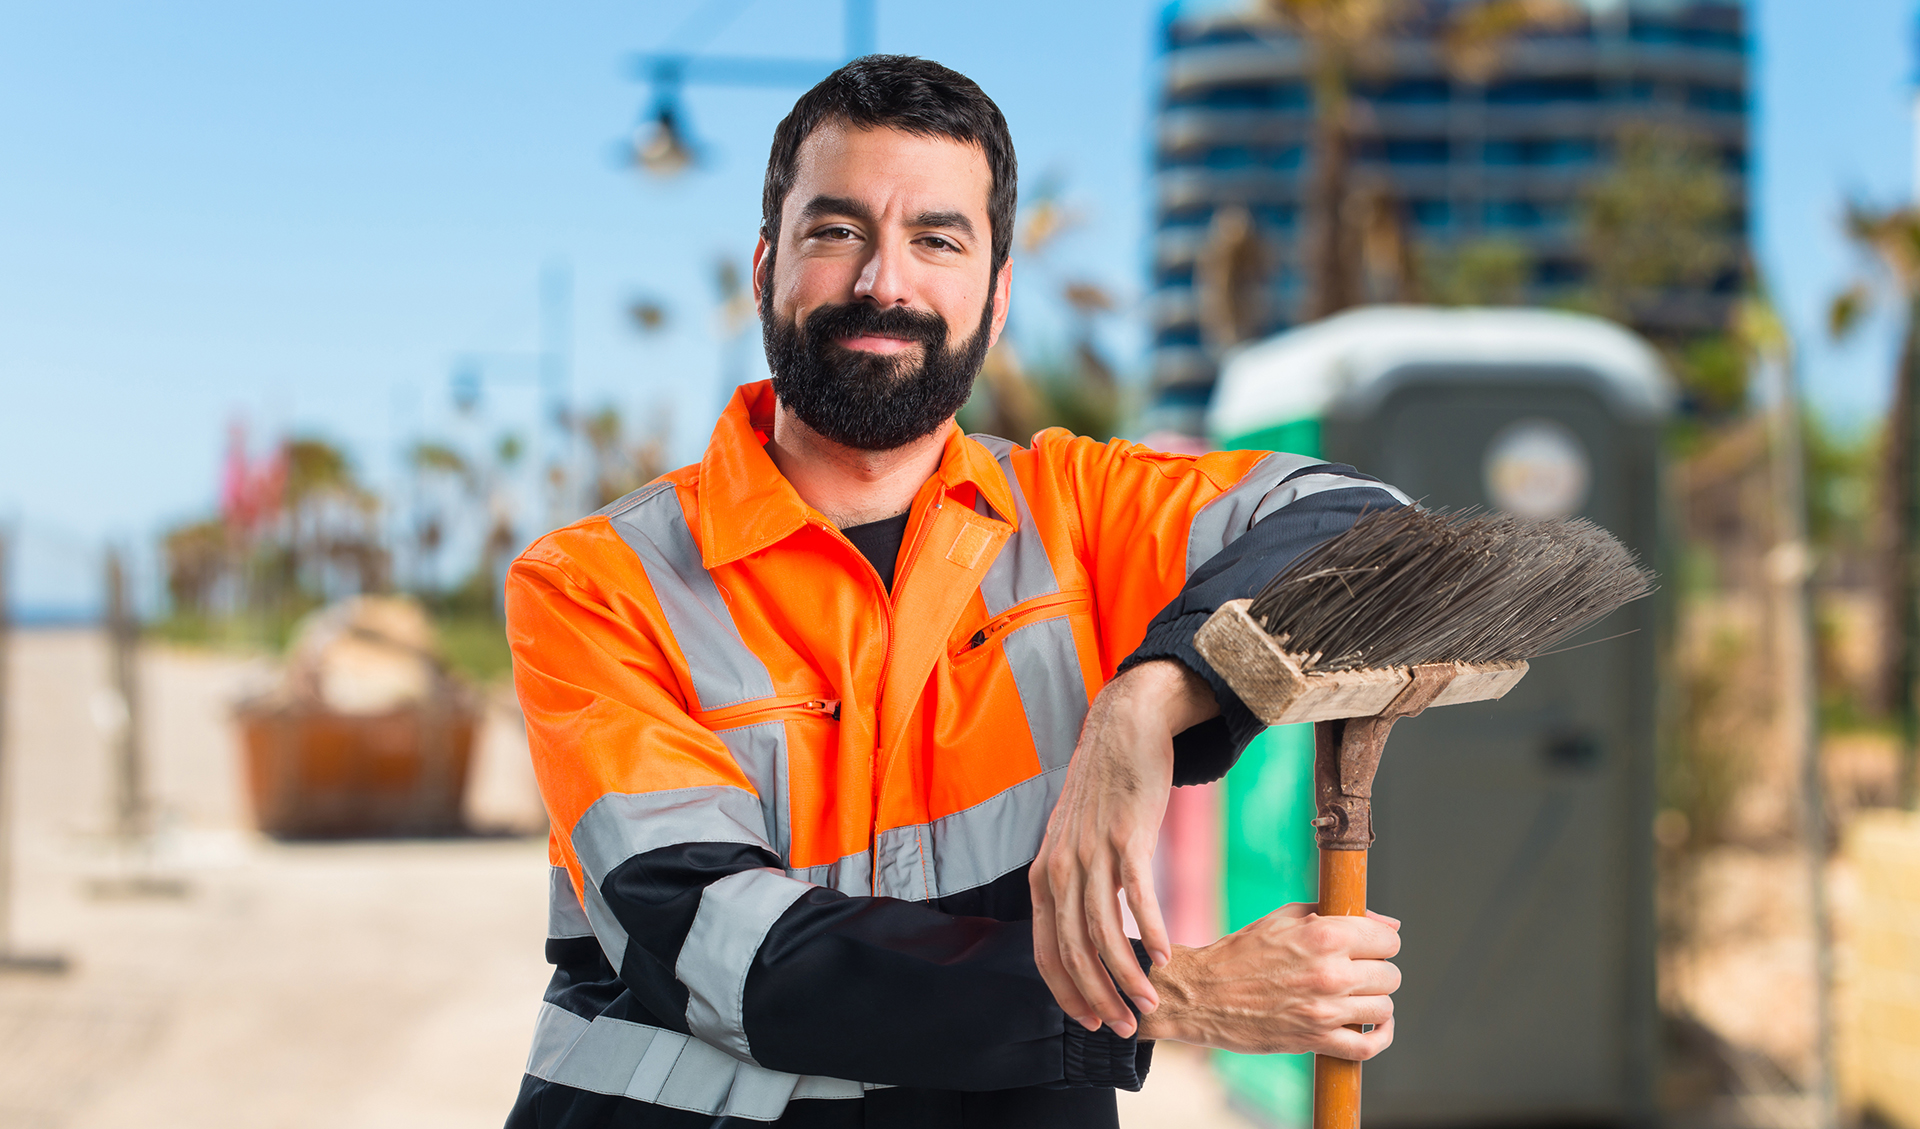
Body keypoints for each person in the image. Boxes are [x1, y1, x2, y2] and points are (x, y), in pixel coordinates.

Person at [504, 55, 1410, 1129]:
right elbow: (726, 952)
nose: (885, 281)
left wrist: (1150, 699)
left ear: (997, 290)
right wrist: (1175, 995)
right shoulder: (600, 584)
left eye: (938, 239)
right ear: (765, 267)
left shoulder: (1078, 513)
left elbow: (1369, 526)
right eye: (835, 231)